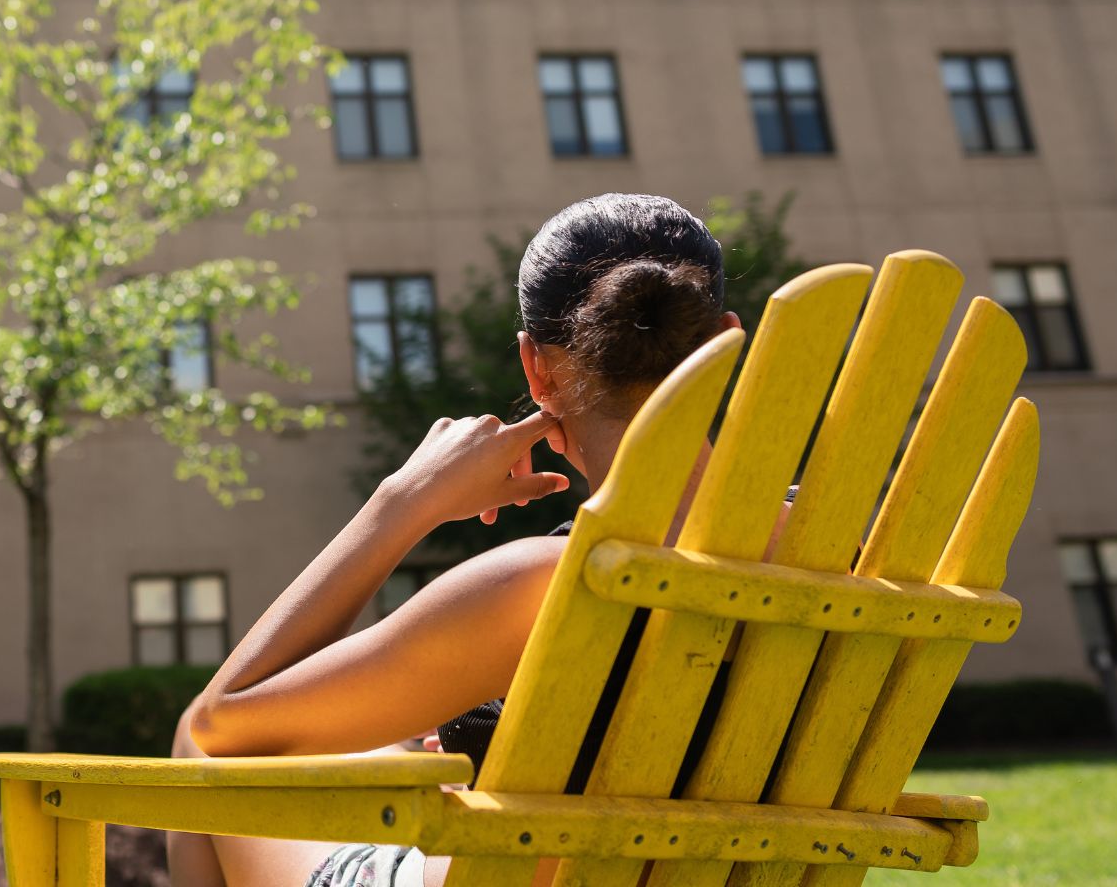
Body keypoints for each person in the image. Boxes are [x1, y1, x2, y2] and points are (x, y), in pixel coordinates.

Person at [169, 193, 745, 887]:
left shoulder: (544, 585)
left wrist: (402, 505)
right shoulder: (842, 558)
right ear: (724, 344)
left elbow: (220, 726)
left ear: (537, 369)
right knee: (387, 749)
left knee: (199, 757)